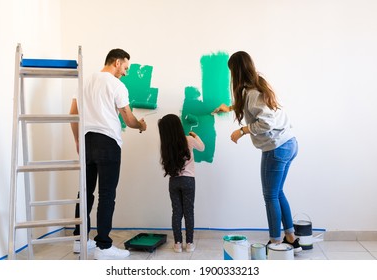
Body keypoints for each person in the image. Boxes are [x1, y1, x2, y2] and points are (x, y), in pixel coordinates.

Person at [213, 51, 301, 253]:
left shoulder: (252, 92)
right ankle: (291, 239)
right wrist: (230, 108)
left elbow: (266, 121)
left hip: (276, 148)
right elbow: (257, 108)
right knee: (277, 192)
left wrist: (242, 130)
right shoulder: (257, 85)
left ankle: (276, 243)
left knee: (270, 195)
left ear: (236, 71)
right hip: (289, 143)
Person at [70, 48, 147, 260]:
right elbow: (129, 119)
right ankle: (103, 246)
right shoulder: (116, 85)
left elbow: (72, 113)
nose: (126, 72)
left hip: (87, 139)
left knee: (84, 192)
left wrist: (78, 139)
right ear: (116, 62)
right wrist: (140, 125)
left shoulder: (84, 81)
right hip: (108, 142)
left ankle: (79, 240)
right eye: (125, 67)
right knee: (107, 194)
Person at [157, 114, 205, 253]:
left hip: (174, 182)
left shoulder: (166, 146)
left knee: (176, 212)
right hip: (189, 181)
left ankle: (177, 244)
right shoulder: (189, 139)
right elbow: (202, 147)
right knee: (188, 212)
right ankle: (189, 243)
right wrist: (195, 135)